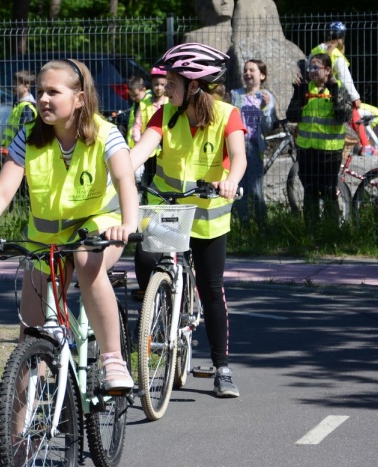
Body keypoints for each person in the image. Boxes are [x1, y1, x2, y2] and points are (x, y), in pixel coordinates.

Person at [0, 58, 139, 392]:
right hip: (44, 241)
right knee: (30, 335)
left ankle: (112, 359)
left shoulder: (105, 133)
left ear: (79, 98)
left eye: (53, 92)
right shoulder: (29, 137)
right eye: (40, 91)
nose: (42, 98)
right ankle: (24, 430)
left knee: (88, 263)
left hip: (98, 227)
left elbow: (124, 180)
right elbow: (3, 190)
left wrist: (128, 224)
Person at [130, 42, 247, 398]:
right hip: (166, 210)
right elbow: (139, 153)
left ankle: (222, 367)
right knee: (145, 259)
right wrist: (117, 176)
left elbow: (239, 158)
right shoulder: (163, 114)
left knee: (211, 290)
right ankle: (159, 310)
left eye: (172, 82)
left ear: (194, 85)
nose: (164, 88)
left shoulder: (228, 114)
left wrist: (231, 180)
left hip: (209, 218)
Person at [286, 53, 353, 227]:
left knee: (329, 191)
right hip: (307, 151)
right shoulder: (305, 89)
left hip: (330, 152)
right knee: (310, 192)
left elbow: (343, 116)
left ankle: (331, 231)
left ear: (328, 70)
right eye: (310, 68)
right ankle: (312, 231)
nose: (312, 71)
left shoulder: (338, 89)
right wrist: (298, 95)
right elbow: (292, 116)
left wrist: (336, 93)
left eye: (316, 67)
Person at [226, 58, 275, 222]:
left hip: (255, 147)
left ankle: (262, 224)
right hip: (237, 146)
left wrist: (265, 109)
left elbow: (268, 127)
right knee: (240, 187)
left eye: (252, 70)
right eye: (245, 70)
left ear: (262, 76)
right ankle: (243, 224)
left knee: (255, 188)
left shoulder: (267, 97)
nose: (247, 73)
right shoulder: (235, 95)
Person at [311, 21, 369, 148]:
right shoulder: (337, 55)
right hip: (334, 93)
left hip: (315, 92)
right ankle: (366, 146)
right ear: (341, 39)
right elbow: (345, 80)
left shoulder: (315, 51)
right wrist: (355, 98)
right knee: (354, 112)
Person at [132, 67, 169, 191]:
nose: (159, 87)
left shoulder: (170, 103)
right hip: (149, 152)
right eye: (156, 84)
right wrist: (140, 143)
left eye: (162, 84)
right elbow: (137, 126)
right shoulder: (144, 103)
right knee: (149, 179)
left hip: (167, 150)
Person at [0, 70, 36, 149]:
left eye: (17, 85)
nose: (13, 87)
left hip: (18, 149)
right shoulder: (18, 103)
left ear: (26, 87)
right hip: (11, 148)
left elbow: (24, 131)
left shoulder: (27, 107)